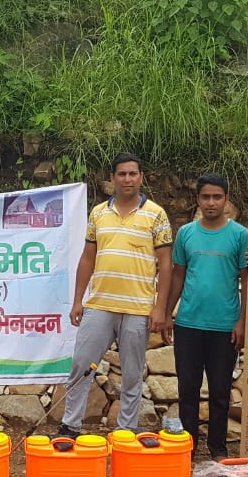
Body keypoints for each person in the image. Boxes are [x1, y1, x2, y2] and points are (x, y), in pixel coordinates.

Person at [58, 153, 172, 436]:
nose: (127, 179)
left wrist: (160, 308)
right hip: (99, 304)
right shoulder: (98, 213)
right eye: (122, 174)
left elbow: (166, 264)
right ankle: (71, 425)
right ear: (112, 179)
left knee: (132, 374)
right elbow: (87, 258)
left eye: (133, 174)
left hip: (138, 308)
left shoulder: (156, 214)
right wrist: (77, 300)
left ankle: (126, 431)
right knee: (81, 366)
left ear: (141, 177)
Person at [165, 174, 248, 460]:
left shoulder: (240, 235)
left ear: (226, 199)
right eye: (205, 197)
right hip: (188, 323)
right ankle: (187, 446)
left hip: (224, 326)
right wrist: (166, 314)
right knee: (187, 387)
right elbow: (178, 276)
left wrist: (242, 321)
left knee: (220, 390)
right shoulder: (186, 233)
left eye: (217, 197)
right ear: (197, 200)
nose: (211, 203)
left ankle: (217, 447)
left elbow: (247, 280)